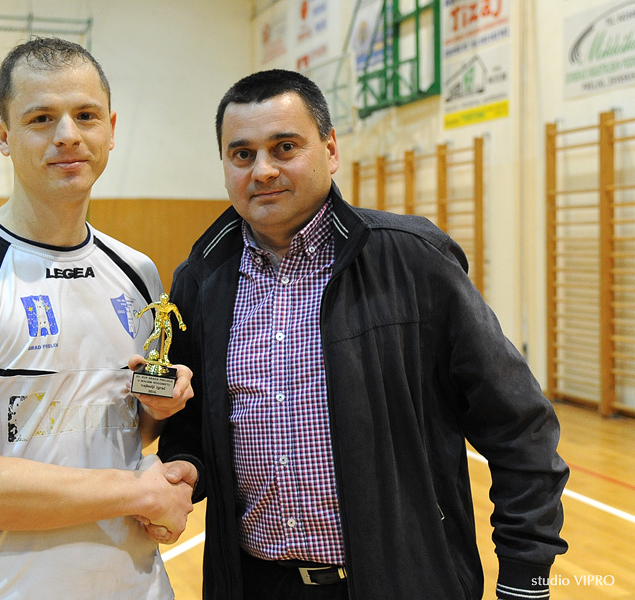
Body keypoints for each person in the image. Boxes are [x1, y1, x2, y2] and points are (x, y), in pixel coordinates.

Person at [157, 69, 569, 600]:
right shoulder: (200, 278)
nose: (263, 170)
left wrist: (526, 576)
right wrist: (186, 470)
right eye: (242, 154)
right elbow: (191, 429)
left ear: (330, 150)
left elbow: (518, 423)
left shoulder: (414, 260)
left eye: (285, 147)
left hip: (407, 582)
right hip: (254, 585)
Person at [0, 37, 196, 600]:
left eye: (86, 115)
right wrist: (138, 492)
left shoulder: (138, 274)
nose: (67, 135)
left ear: (110, 128)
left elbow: (122, 431)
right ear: (3, 135)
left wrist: (157, 408)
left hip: (139, 587)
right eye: (40, 118)